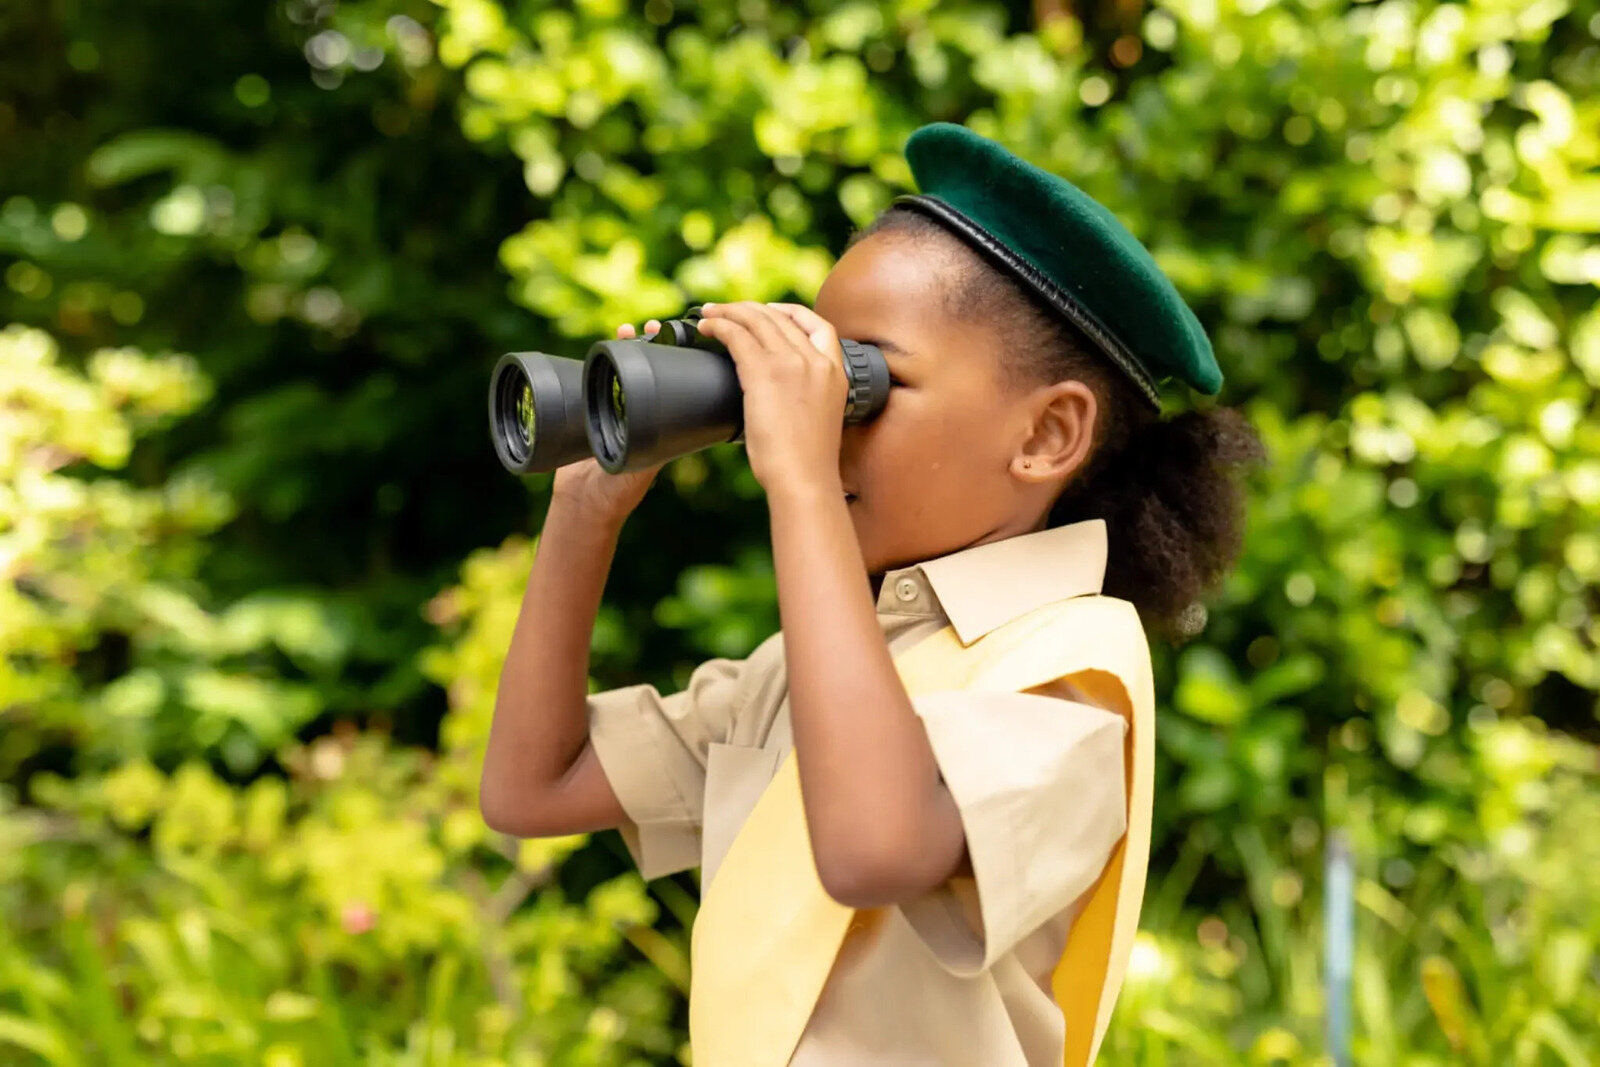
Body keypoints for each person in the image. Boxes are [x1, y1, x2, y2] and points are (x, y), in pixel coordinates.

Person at [480, 121, 1265, 1065]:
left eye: (862, 384)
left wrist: (801, 480)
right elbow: (535, 786)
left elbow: (873, 847)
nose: (820, 424)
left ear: (1048, 435)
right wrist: (586, 511)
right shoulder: (823, 667)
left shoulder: (1075, 677)